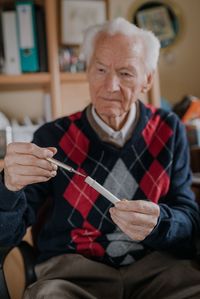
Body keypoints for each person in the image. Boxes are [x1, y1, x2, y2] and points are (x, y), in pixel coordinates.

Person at [0, 17, 200, 299]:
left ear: (148, 79)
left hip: (158, 270)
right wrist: (8, 187)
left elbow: (189, 218)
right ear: (87, 70)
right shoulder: (52, 137)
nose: (110, 85)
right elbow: (6, 234)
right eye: (101, 69)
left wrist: (160, 223)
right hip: (73, 273)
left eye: (126, 73)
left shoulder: (169, 129)